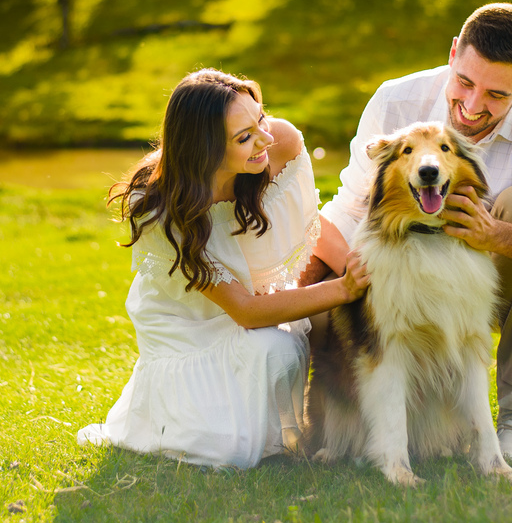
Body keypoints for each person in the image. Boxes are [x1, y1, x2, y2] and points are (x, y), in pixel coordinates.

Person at [304, 2, 512, 462]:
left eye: (496, 94)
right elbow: (349, 205)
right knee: (313, 284)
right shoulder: (396, 101)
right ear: (454, 54)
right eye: (465, 82)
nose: (472, 107)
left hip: (483, 285)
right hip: (400, 282)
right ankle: (335, 422)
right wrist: (348, 276)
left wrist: (496, 236)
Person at [77, 68, 369, 469]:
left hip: (256, 304)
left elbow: (310, 223)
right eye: (243, 138)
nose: (264, 139)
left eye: (260, 119)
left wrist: (360, 274)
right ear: (207, 151)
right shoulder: (158, 207)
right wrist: (343, 289)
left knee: (305, 334)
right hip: (189, 326)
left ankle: (329, 425)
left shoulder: (280, 143)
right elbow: (245, 311)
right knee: (241, 422)